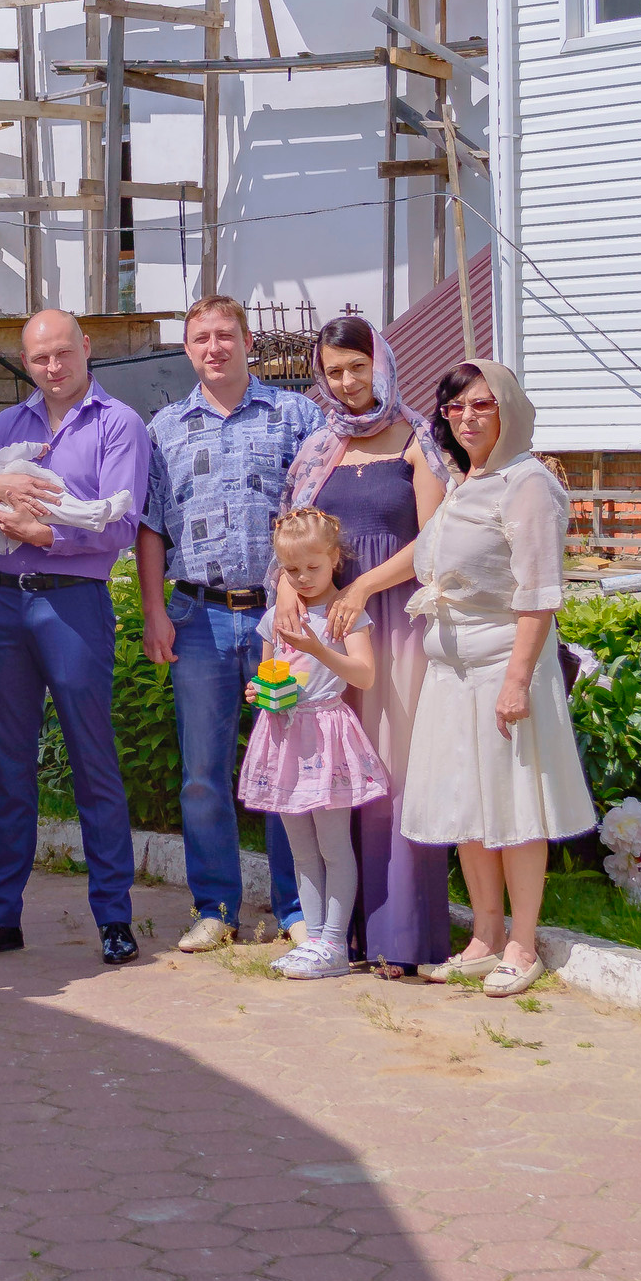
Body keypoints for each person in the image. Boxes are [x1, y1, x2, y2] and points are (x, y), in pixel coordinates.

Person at [0, 309, 152, 967]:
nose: (52, 367)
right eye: (39, 358)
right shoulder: (8, 426)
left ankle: (114, 917)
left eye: (62, 353)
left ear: (85, 348)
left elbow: (120, 526)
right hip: (2, 604)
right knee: (8, 766)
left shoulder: (119, 425)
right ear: (24, 362)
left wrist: (44, 536)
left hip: (72, 605)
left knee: (93, 762)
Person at [399, 357, 596, 999]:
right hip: (451, 671)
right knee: (466, 805)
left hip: (503, 665)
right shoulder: (466, 481)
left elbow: (539, 593)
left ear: (509, 409)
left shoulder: (527, 483)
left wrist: (517, 681)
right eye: (456, 407)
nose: (467, 417)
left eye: (482, 404)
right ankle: (484, 936)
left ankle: (522, 941)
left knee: (513, 808)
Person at [136, 295, 320, 950]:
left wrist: (305, 602)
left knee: (285, 765)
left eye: (224, 335)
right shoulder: (163, 430)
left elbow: (319, 516)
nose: (213, 347)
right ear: (186, 349)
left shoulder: (295, 416)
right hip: (197, 620)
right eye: (199, 338)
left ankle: (296, 906)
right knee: (201, 773)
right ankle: (213, 907)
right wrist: (154, 611)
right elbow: (151, 528)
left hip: (280, 620)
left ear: (248, 342)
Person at [277, 315, 453, 975]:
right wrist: (287, 602)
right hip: (323, 638)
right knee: (325, 777)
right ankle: (332, 933)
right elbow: (292, 541)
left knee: (389, 775)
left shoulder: (419, 441)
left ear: (380, 363)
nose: (347, 382)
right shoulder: (317, 448)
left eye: (357, 366)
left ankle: (396, 936)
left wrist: (364, 587)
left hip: (395, 629)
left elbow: (433, 542)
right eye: (333, 371)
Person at [237, 507, 389, 979]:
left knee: (333, 846)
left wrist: (319, 649)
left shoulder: (347, 615)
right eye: (292, 570)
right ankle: (314, 936)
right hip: (283, 738)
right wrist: (258, 690)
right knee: (300, 850)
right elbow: (269, 674)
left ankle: (335, 944)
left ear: (335, 559)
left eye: (313, 568)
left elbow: (364, 675)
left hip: (326, 736)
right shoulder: (275, 618)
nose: (303, 578)